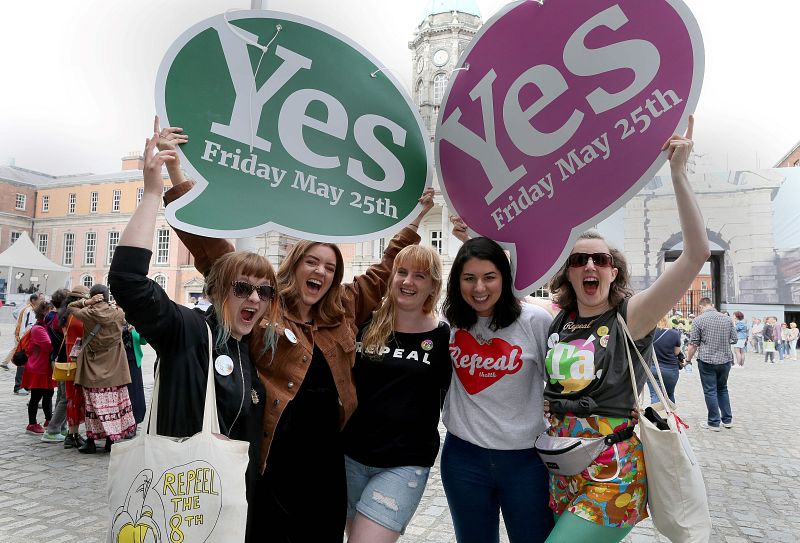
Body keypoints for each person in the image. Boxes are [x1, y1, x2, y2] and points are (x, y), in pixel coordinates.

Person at [155, 116, 433, 541]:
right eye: (312, 262)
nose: (320, 271)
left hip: (326, 460)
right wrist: (176, 175)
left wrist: (414, 217)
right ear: (296, 264)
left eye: (329, 266)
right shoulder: (266, 306)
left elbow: (380, 275)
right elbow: (213, 251)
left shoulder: (342, 309)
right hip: (274, 455)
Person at [542, 116, 709, 542]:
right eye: (579, 260)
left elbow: (695, 255)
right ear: (568, 274)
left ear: (613, 271)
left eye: (600, 259)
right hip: (563, 470)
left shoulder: (630, 316)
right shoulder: (557, 318)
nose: (590, 266)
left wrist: (678, 174)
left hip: (613, 472)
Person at [110, 131, 281, 540]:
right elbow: (128, 281)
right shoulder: (188, 332)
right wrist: (154, 192)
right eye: (242, 287)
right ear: (219, 290)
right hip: (179, 506)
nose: (254, 298)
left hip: (229, 510)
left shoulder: (248, 347)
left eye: (264, 291)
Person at [441, 237, 554, 543]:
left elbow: (564, 382)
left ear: (505, 277)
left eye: (489, 277)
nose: (479, 288)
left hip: (526, 462)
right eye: (469, 279)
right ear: (457, 282)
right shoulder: (449, 322)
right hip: (463, 459)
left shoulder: (535, 321)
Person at [342, 245, 451, 543]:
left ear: (433, 287)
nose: (408, 281)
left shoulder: (444, 338)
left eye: (419, 276)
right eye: (401, 272)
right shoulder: (364, 325)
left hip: (404, 463)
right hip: (349, 456)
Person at [68, 284, 136, 453]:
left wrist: (87, 302)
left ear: (93, 297)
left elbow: (70, 306)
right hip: (114, 368)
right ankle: (110, 441)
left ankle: (91, 441)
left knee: (93, 406)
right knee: (113, 406)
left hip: (92, 369)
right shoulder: (118, 313)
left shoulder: (87, 314)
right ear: (107, 297)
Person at [686, 297, 736, 431]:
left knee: (710, 391)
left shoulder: (698, 320)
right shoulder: (727, 319)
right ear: (712, 305)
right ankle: (727, 420)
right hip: (725, 360)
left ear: (701, 307)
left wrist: (688, 359)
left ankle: (714, 422)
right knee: (723, 389)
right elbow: (734, 339)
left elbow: (693, 343)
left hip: (707, 360)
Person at [59, 286, 90, 449]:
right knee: (76, 398)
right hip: (78, 361)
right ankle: (73, 434)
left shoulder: (66, 315)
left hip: (70, 360)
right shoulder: (77, 317)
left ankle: (73, 433)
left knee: (72, 397)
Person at [21, 301, 56, 435]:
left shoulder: (45, 326)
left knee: (49, 393)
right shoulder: (38, 328)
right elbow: (49, 346)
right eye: (50, 311)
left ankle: (48, 419)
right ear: (44, 313)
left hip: (44, 367)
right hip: (38, 367)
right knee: (36, 396)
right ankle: (32, 424)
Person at [41, 289, 71, 443]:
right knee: (66, 396)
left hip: (55, 358)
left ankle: (61, 426)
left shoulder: (49, 316)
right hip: (63, 359)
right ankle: (52, 430)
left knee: (61, 394)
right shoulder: (61, 318)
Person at [3, 292, 44, 394]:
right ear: (34, 300)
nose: (42, 301)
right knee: (23, 363)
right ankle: (18, 386)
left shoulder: (31, 309)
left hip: (26, 339)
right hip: (25, 340)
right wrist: (25, 341)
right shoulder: (29, 310)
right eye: (40, 299)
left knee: (28, 364)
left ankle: (26, 385)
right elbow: (26, 327)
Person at [646, 317, 683, 404]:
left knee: (655, 395)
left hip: (653, 367)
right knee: (669, 394)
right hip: (670, 369)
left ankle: (657, 416)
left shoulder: (650, 333)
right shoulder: (674, 334)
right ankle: (670, 415)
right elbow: (676, 352)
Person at [121, 322, 147, 430]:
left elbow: (143, 341)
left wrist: (142, 330)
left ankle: (133, 424)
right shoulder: (113, 318)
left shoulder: (133, 320)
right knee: (122, 394)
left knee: (135, 393)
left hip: (133, 360)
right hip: (117, 361)